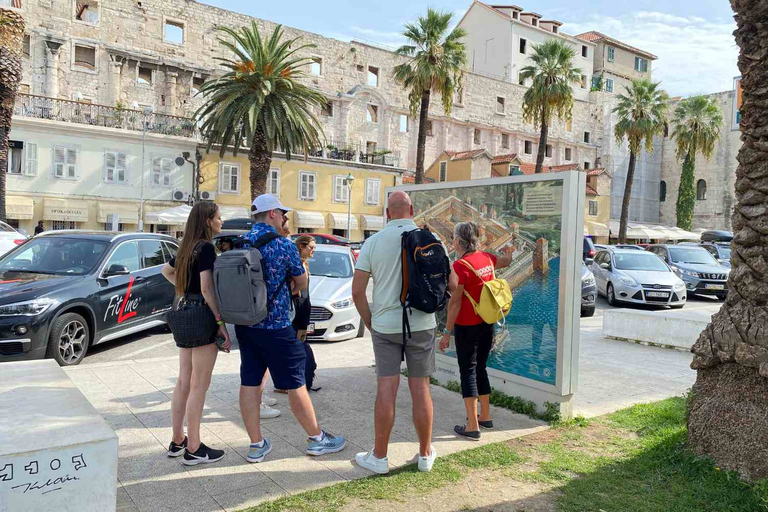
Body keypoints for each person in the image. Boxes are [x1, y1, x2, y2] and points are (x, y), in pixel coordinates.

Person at [235, 194, 345, 463]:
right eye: (282, 213)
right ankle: (317, 439)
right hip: (276, 326)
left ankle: (256, 444)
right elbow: (302, 281)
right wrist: (292, 284)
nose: (285, 218)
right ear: (271, 213)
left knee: (249, 382)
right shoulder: (282, 245)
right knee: (296, 382)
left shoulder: (240, 242)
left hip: (246, 324)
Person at [351, 190, 439, 474]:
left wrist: (370, 322)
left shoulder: (373, 243)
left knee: (386, 389)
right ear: (411, 209)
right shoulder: (432, 239)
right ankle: (425, 455)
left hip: (386, 325)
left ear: (387, 213)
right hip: (423, 324)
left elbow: (357, 292)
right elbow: (451, 284)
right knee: (421, 389)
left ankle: (379, 457)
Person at [161, 202, 231, 465]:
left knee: (184, 382)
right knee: (199, 385)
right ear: (207, 221)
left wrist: (183, 290)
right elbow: (206, 288)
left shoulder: (186, 246)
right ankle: (194, 447)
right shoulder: (206, 248)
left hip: (182, 313)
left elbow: (165, 271)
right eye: (218, 218)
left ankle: (177, 440)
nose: (221, 222)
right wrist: (220, 322)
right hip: (201, 316)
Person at [439, 221, 512, 440]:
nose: (452, 242)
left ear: (459, 242)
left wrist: (446, 332)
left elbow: (455, 303)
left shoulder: (461, 266)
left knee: (467, 371)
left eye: (453, 238)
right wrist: (510, 252)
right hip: (487, 322)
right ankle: (485, 416)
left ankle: (472, 425)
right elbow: (506, 260)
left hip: (467, 326)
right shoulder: (487, 258)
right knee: (481, 367)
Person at [293, 235, 319, 391]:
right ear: (301, 247)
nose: (313, 250)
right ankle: (299, 380)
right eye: (311, 247)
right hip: (298, 309)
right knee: (298, 344)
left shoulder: (304, 263)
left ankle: (303, 379)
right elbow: (293, 289)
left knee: (301, 341)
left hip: (304, 308)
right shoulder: (296, 264)